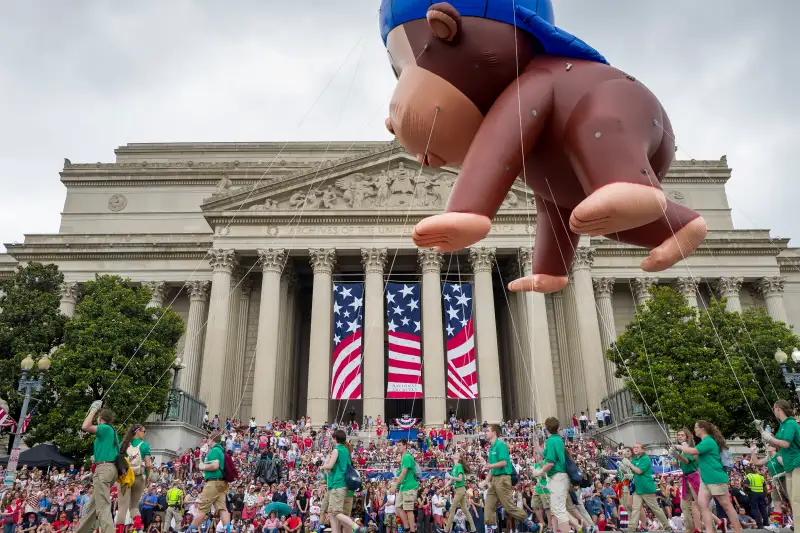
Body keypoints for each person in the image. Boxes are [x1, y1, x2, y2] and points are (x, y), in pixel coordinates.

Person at [676, 420, 741, 533]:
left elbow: (693, 450)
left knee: (726, 505)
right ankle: (710, 531)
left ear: (702, 429)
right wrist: (680, 453)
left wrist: (680, 447)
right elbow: (696, 457)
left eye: (696, 427)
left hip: (715, 477)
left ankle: (737, 530)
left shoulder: (708, 441)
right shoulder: (704, 442)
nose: (694, 430)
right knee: (702, 506)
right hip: (705, 479)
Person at [481, 424, 534, 532]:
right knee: (488, 507)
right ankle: (491, 529)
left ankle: (531, 524)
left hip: (503, 479)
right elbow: (492, 469)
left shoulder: (501, 445)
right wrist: (486, 481)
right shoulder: (491, 448)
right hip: (495, 480)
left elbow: (504, 462)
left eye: (487, 431)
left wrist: (488, 465)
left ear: (494, 433)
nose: (485, 432)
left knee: (509, 507)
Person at [531, 418, 581, 533]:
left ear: (546, 428)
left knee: (559, 511)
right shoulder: (556, 439)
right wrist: (536, 445)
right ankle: (579, 527)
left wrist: (538, 472)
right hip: (559, 478)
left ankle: (575, 529)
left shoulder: (551, 441)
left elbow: (550, 463)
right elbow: (545, 454)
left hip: (558, 478)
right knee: (557, 509)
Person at [76, 403, 118, 533]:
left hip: (104, 469)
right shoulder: (111, 431)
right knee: (92, 507)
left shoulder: (105, 428)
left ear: (101, 418)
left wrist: (93, 409)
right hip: (107, 469)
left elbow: (85, 426)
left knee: (103, 507)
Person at [319, 429, 366, 533]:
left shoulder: (337, 450)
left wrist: (323, 466)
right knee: (332, 512)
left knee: (336, 513)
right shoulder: (345, 450)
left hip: (338, 484)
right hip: (343, 485)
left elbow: (330, 466)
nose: (331, 439)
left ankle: (356, 527)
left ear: (336, 438)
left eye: (332, 437)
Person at [761, 399, 800, 519]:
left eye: (774, 408)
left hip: (796, 463)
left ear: (778, 408)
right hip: (789, 465)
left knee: (796, 498)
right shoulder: (783, 425)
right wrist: (762, 431)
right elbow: (773, 442)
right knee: (793, 499)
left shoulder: (790, 423)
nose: (773, 411)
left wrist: (770, 439)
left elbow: (785, 443)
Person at [623, 442, 672, 532]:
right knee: (635, 509)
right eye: (634, 447)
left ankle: (668, 528)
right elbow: (631, 472)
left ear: (642, 449)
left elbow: (639, 471)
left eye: (637, 447)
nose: (635, 449)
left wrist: (629, 464)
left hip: (646, 488)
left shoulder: (645, 458)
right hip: (638, 489)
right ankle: (631, 528)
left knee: (656, 509)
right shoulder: (635, 459)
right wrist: (624, 466)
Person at [190, 431, 230, 533]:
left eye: (208, 439)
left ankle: (191, 530)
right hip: (221, 483)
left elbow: (215, 465)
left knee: (202, 508)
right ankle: (227, 530)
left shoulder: (214, 451)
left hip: (213, 483)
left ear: (211, 439)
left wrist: (203, 467)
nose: (207, 441)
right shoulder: (221, 450)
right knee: (222, 508)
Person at [117, 424, 151, 533]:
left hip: (125, 477)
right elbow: (148, 464)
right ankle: (138, 530)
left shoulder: (123, 444)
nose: (145, 434)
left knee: (122, 508)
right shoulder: (145, 445)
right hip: (139, 477)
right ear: (138, 432)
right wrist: (148, 477)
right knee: (134, 507)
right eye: (144, 431)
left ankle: (119, 531)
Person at [672, 428, 701, 533]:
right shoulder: (681, 450)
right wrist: (672, 461)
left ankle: (713, 527)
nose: (679, 436)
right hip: (685, 478)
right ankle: (689, 529)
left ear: (687, 437)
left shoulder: (689, 448)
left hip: (694, 478)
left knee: (700, 505)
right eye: (678, 435)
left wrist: (678, 456)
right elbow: (680, 464)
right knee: (684, 506)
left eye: (682, 435)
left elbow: (687, 461)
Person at [390, 439, 418, 533]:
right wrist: (396, 484)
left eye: (400, 445)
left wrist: (395, 485)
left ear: (405, 446)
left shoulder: (406, 456)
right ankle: (406, 528)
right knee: (398, 507)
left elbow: (404, 472)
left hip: (409, 487)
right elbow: (400, 474)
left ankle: (412, 530)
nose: (398, 447)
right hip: (403, 487)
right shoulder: (403, 457)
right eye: (397, 445)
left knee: (409, 510)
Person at [444, 452, 475, 533]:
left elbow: (460, 479)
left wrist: (449, 476)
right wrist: (445, 485)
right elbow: (451, 480)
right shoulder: (455, 467)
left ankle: (446, 530)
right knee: (465, 510)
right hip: (459, 490)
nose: (455, 454)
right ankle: (473, 529)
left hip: (460, 490)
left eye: (457, 454)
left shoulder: (458, 466)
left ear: (459, 458)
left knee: (452, 509)